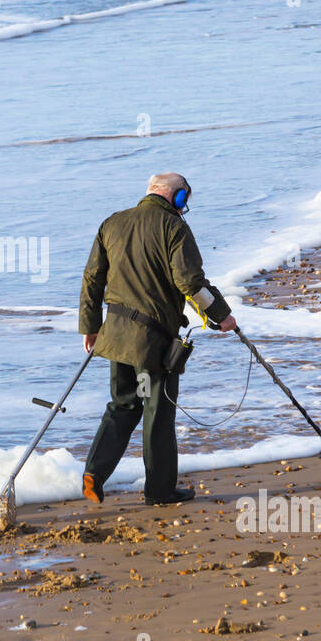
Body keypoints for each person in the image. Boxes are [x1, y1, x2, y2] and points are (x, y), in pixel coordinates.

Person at [78, 172, 236, 505]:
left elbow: (92, 279)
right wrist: (221, 316)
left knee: (123, 405)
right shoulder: (174, 228)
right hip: (151, 344)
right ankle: (159, 491)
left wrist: (89, 326)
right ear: (178, 198)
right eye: (185, 201)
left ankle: (93, 473)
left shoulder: (112, 223)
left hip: (115, 337)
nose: (185, 208)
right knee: (157, 412)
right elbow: (191, 283)